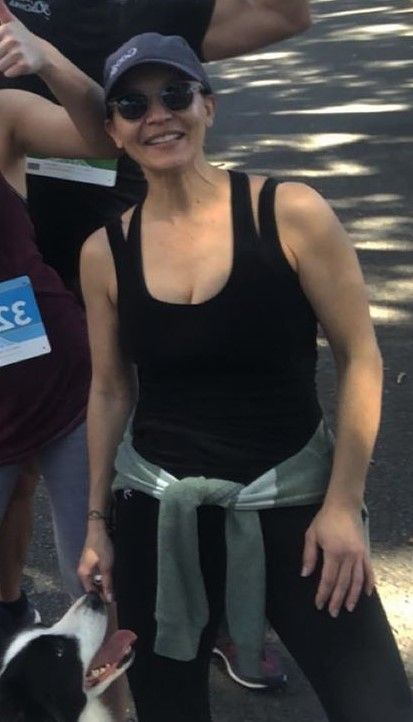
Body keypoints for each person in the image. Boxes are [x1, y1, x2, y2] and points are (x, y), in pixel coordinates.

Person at [78, 32, 413, 722]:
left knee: (376, 705)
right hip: (159, 512)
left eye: (175, 94)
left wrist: (344, 504)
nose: (157, 115)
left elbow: (359, 356)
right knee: (168, 708)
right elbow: (110, 388)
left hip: (296, 501)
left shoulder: (289, 212)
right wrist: (96, 523)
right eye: (132, 105)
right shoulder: (104, 251)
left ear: (208, 105)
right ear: (113, 129)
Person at [1, 0, 311, 288]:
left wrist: (49, 60)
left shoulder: (132, 7)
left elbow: (281, 16)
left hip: (126, 250)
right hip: (17, 254)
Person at [0, 2, 112, 635]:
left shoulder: (4, 115)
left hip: (64, 389)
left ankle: (115, 690)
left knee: (96, 584)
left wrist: (49, 60)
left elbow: (106, 138)